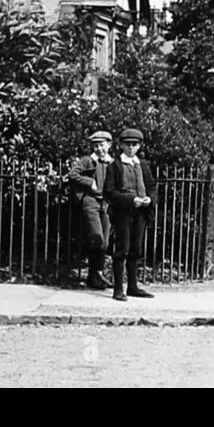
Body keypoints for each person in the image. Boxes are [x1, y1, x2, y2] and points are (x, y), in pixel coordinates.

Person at [103, 128, 156, 301]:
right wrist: (130, 200)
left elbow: (152, 186)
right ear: (120, 145)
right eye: (127, 145)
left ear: (140, 146)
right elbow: (109, 193)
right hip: (123, 213)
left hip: (140, 213)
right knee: (122, 249)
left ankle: (133, 286)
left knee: (136, 249)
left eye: (134, 145)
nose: (131, 148)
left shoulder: (143, 165)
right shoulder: (115, 166)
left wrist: (149, 198)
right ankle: (118, 289)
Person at [68, 130, 114, 289]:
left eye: (101, 145)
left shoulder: (112, 163)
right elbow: (72, 175)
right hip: (91, 202)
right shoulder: (87, 161)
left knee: (105, 242)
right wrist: (89, 182)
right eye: (95, 145)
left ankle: (96, 275)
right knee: (97, 237)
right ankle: (95, 275)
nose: (99, 149)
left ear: (109, 145)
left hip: (106, 204)